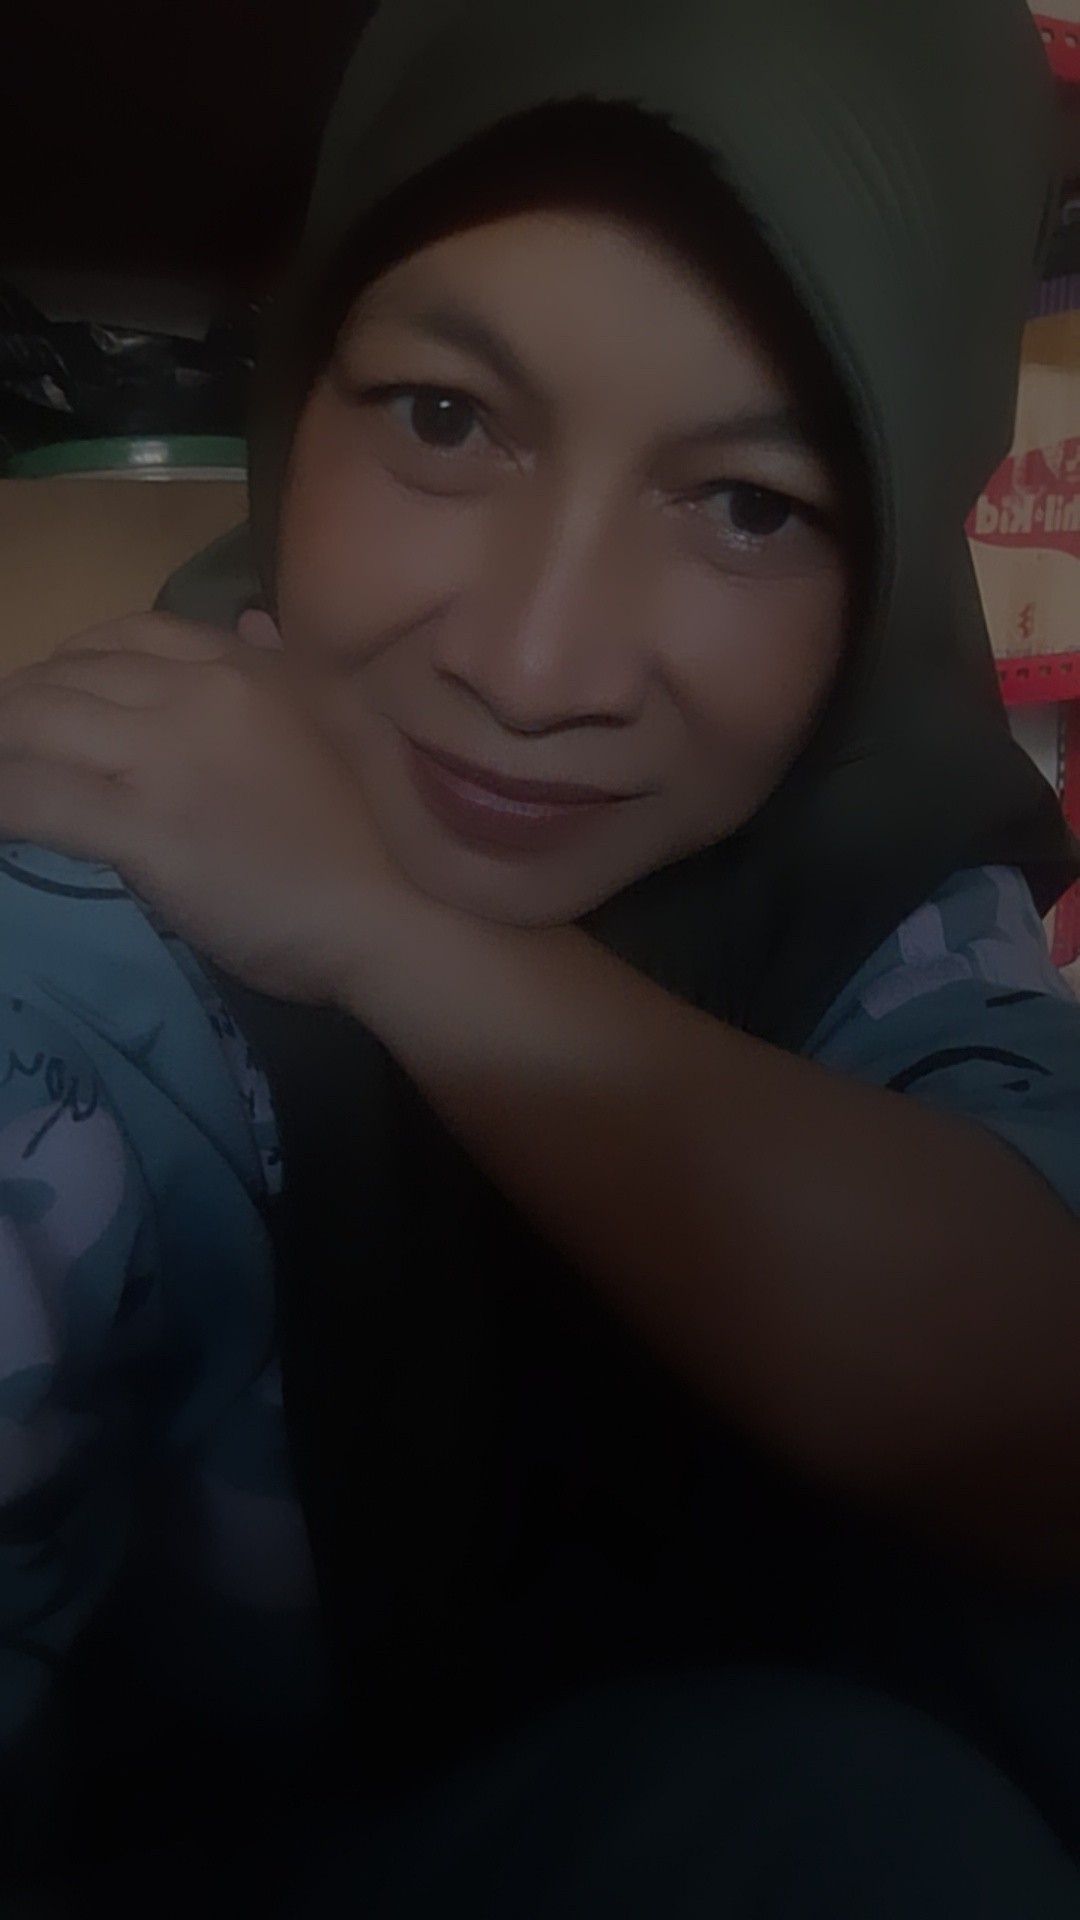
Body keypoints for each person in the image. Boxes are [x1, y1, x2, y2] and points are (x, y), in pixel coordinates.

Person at [1, 0, 1080, 1911]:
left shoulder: (868, 881)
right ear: (299, 386)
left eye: (749, 506)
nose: (532, 665)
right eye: (445, 418)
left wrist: (389, 931)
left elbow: (1034, 1400)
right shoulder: (111, 883)